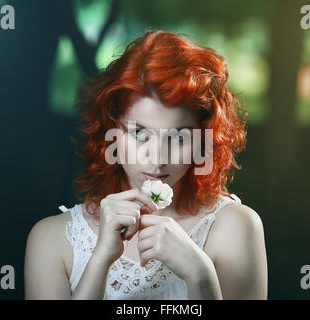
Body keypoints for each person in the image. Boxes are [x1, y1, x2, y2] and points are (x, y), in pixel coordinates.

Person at [24, 29, 268, 300]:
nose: (157, 158)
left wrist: (200, 275)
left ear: (203, 140)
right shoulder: (51, 239)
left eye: (178, 136)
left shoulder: (235, 227)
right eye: (139, 133)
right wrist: (100, 260)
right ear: (112, 133)